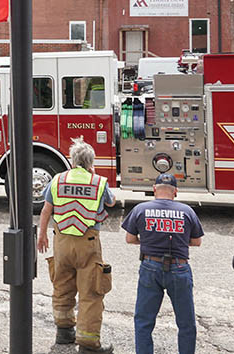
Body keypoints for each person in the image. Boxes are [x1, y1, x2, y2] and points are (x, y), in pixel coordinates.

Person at [37, 137, 116, 353]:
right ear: (91, 163)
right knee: (90, 292)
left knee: (62, 286)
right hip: (87, 243)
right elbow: (111, 202)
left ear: (72, 161)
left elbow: (46, 210)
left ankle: (64, 334)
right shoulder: (98, 182)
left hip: (61, 242)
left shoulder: (58, 180)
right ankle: (88, 343)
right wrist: (92, 175)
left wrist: (41, 235)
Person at [122, 173, 204, 354]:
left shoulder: (141, 209)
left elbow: (129, 239)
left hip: (150, 266)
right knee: (186, 322)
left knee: (144, 321)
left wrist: (146, 243)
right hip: (180, 268)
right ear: (175, 191)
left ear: (154, 190)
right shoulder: (187, 211)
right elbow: (197, 241)